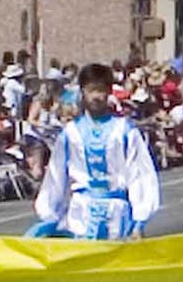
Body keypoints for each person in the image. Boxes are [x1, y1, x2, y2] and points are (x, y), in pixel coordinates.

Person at [34, 63, 161, 241]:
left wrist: (139, 220)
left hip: (117, 214)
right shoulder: (71, 133)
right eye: (91, 90)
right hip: (81, 214)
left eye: (101, 90)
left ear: (109, 92)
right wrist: (51, 216)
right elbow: (56, 175)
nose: (96, 97)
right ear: (82, 92)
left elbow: (139, 173)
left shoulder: (124, 130)